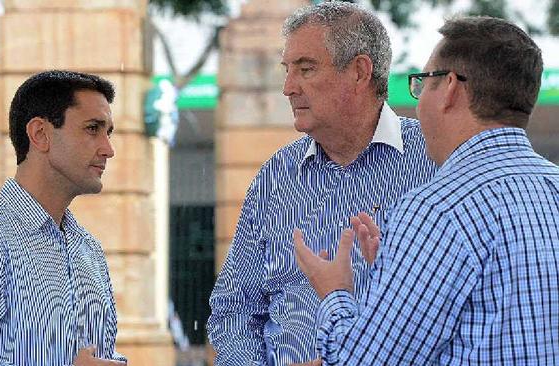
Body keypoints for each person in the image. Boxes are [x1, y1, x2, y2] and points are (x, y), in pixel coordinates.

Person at [295, 16, 559, 365]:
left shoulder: (438, 210)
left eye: (421, 83)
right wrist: (398, 271)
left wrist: (335, 292)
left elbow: (361, 360)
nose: (418, 102)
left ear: (449, 88)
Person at [207, 2, 437, 365]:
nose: (287, 87)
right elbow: (232, 310)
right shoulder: (276, 177)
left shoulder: (435, 163)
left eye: (306, 69)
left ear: (360, 72)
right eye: (287, 70)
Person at [0, 70, 128, 365]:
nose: (108, 149)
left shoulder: (89, 250)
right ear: (40, 134)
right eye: (93, 128)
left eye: (108, 132)